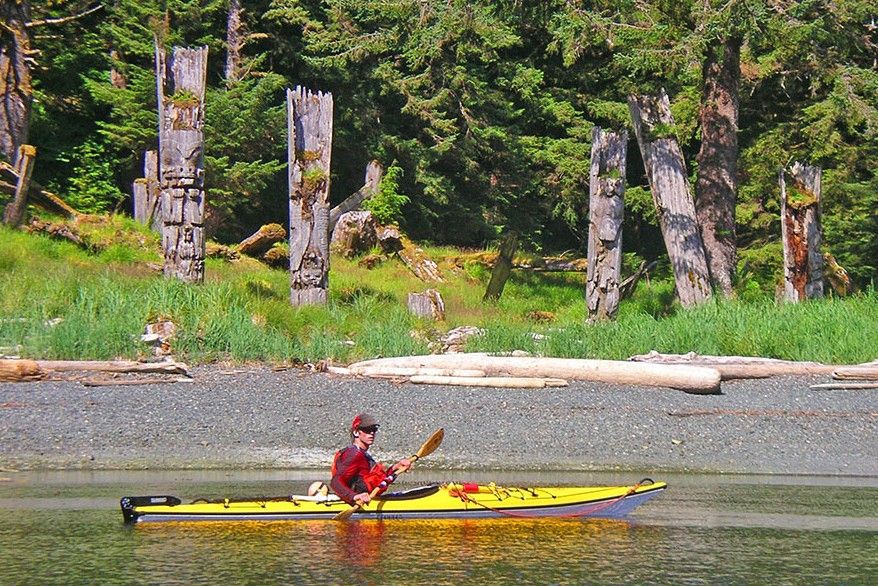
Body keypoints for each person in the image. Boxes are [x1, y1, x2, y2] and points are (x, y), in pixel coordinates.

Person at [330, 413, 412, 506]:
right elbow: (335, 482)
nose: (372, 433)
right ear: (356, 432)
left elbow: (379, 481)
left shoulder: (363, 454)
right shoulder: (354, 454)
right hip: (354, 502)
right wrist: (354, 496)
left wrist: (396, 468)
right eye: (367, 430)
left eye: (374, 429)